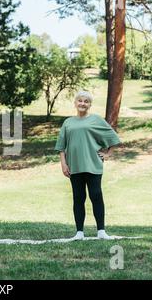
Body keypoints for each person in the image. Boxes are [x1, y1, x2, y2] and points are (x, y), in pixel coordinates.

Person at [54, 91, 121, 240]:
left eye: (86, 101)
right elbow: (61, 146)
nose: (83, 103)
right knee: (78, 197)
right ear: (75, 103)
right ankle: (79, 232)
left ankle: (101, 231)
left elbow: (113, 137)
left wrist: (109, 153)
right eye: (80, 101)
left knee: (96, 195)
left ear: (90, 104)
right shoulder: (68, 122)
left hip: (93, 164)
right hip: (74, 166)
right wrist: (63, 164)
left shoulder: (96, 120)